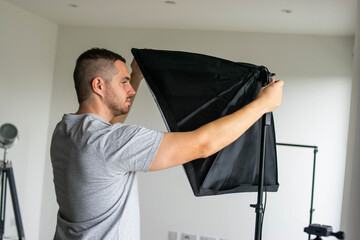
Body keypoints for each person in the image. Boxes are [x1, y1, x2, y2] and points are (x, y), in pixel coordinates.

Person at [50, 48, 283, 240]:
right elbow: (203, 144)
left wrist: (137, 75)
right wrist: (263, 105)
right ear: (98, 86)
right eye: (124, 82)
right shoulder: (110, 143)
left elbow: (108, 130)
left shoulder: (66, 131)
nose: (130, 89)